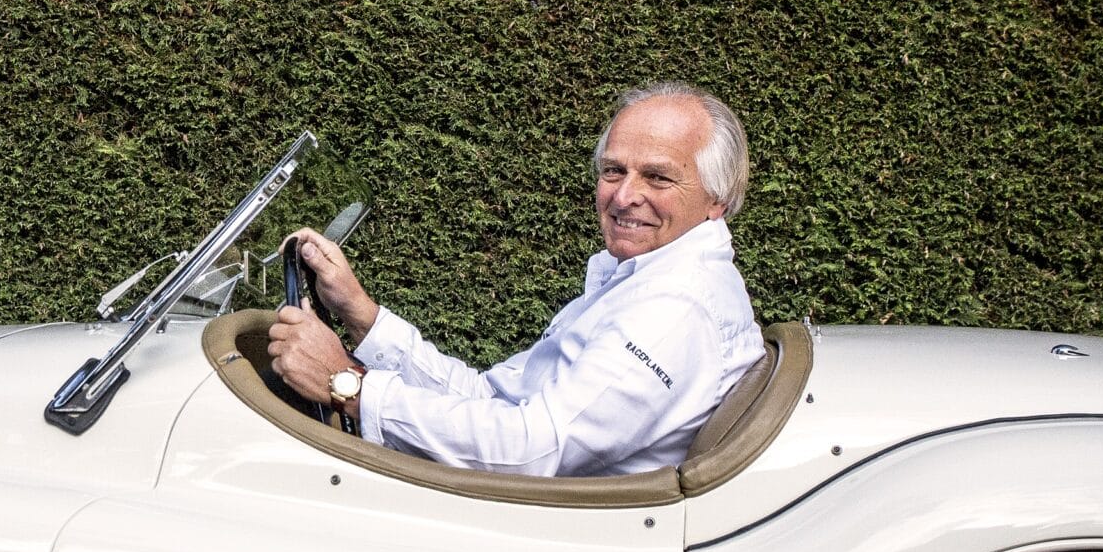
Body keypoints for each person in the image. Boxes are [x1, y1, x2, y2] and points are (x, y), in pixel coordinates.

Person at [265, 82, 765, 477]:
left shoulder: (675, 308)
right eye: (613, 171)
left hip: (554, 549)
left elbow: (529, 449)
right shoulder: (644, 277)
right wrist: (361, 314)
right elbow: (490, 397)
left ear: (717, 199)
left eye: (657, 177)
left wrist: (346, 385)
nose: (623, 195)